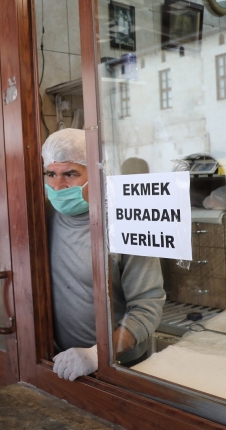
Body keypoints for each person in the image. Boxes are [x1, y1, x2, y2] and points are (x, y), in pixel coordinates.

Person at [43, 129, 165, 382]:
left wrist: (99, 354)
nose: (57, 186)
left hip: (119, 365)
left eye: (70, 174)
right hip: (57, 362)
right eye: (51, 174)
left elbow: (147, 307)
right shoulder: (42, 219)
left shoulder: (127, 224)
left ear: (98, 174)